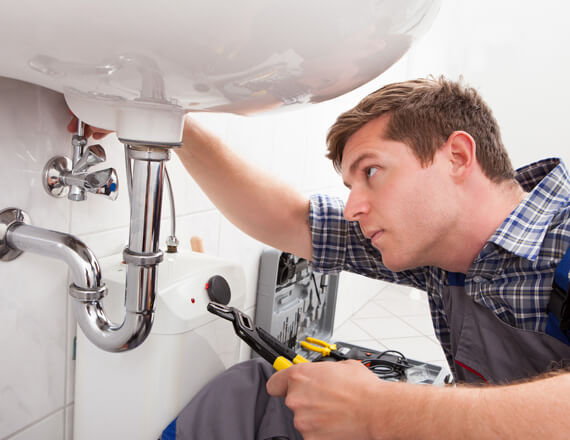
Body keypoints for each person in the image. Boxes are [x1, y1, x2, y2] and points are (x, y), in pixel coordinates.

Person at [70, 76, 570, 439]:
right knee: (262, 394)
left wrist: (383, 412)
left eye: (371, 172)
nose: (353, 206)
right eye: (350, 185)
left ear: (457, 157)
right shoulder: (440, 254)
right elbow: (289, 218)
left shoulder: (562, 235)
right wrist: (161, 121)